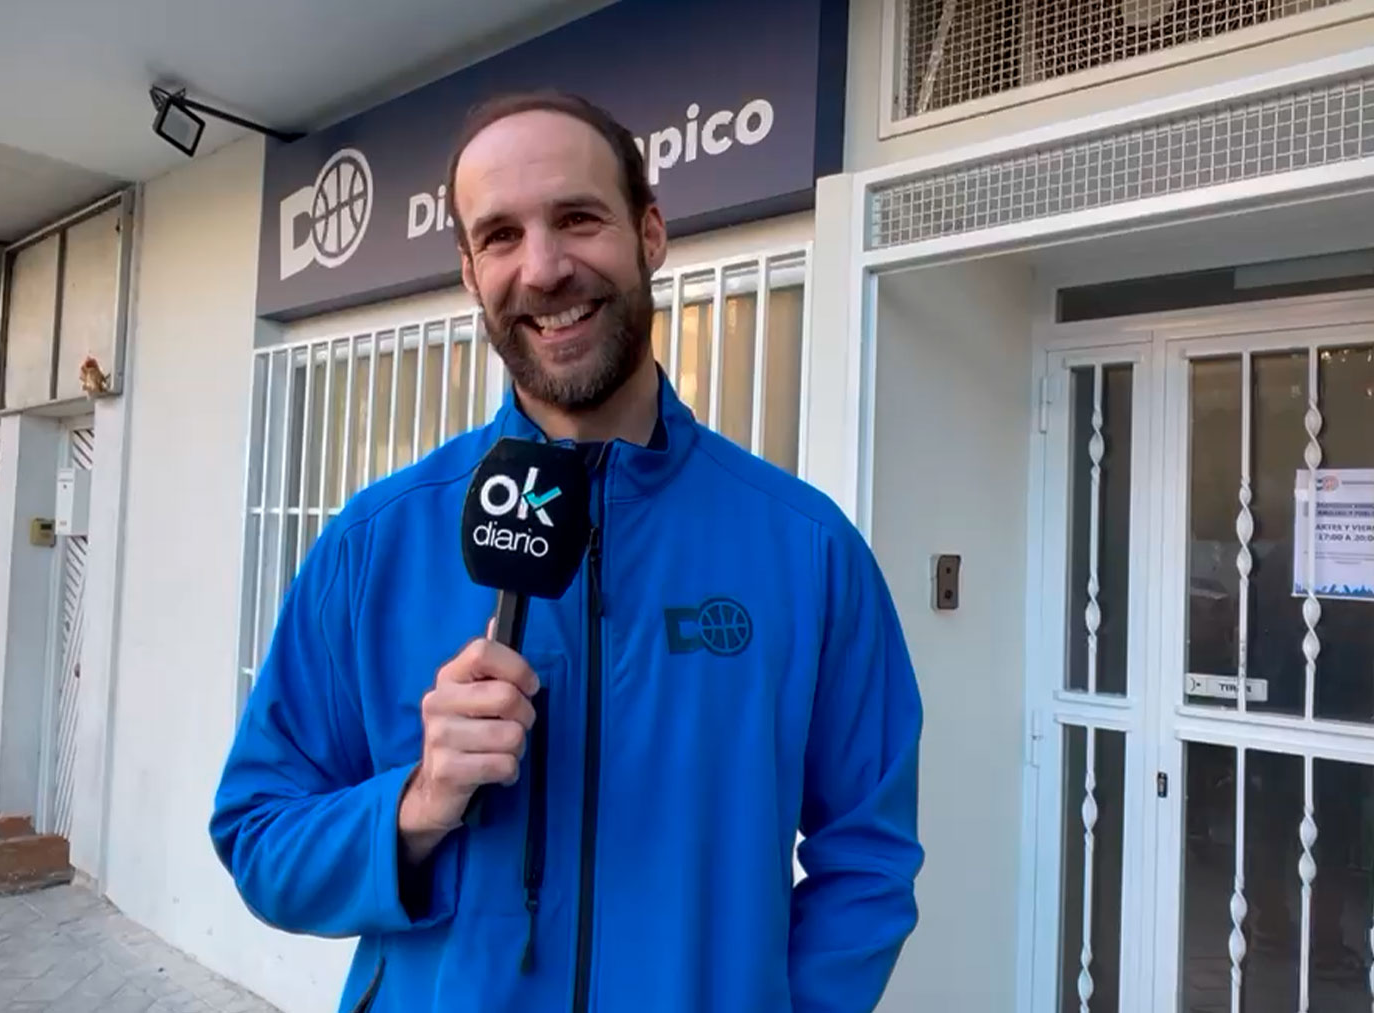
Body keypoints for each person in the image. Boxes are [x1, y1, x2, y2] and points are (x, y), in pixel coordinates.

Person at [210, 90, 925, 1013]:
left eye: (578, 218)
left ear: (650, 233)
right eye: (501, 236)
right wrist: (416, 803)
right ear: (469, 271)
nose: (544, 268)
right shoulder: (372, 545)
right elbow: (261, 837)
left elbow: (867, 853)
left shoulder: (811, 553)